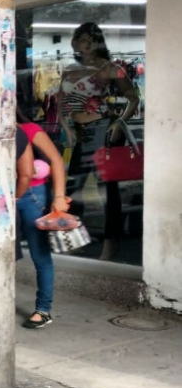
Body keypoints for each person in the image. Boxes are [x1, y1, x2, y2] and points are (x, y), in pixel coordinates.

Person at [57, 22, 139, 261]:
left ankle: (110, 243)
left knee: (107, 191)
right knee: (74, 187)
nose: (86, 44)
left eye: (91, 39)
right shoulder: (71, 70)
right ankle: (75, 239)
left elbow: (133, 98)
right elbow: (62, 104)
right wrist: (67, 129)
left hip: (103, 129)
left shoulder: (109, 69)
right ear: (75, 42)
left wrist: (118, 123)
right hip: (79, 133)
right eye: (82, 39)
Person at [17, 117, 69, 329]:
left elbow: (56, 160)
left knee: (39, 253)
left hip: (33, 195)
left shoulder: (29, 129)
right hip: (2, 196)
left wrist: (58, 197)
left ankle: (43, 309)